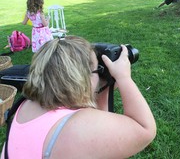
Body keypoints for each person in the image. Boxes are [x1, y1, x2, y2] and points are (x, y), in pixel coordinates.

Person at [1, 36, 156, 159]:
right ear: (80, 78)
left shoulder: (26, 104)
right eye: (97, 70)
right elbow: (144, 129)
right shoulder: (76, 128)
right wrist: (123, 78)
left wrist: (103, 87)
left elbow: (99, 120)